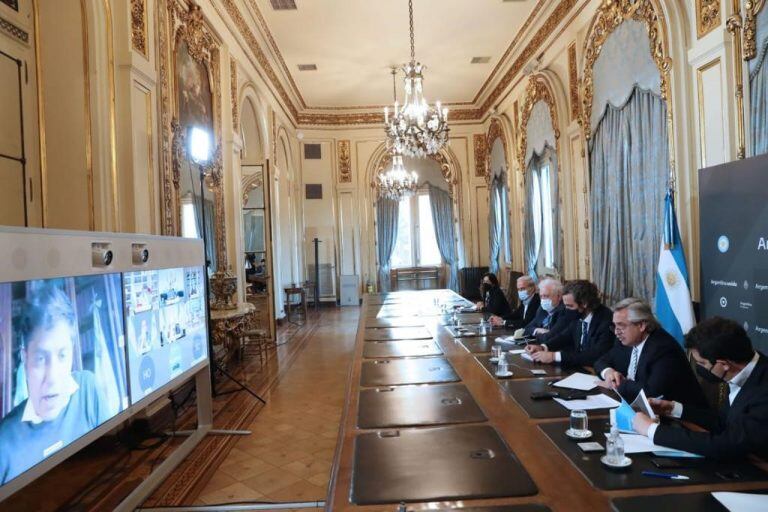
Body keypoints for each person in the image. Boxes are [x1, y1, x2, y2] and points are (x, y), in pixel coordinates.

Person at [0, 287, 107, 485]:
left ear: (72, 353)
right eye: (40, 359)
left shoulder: (88, 390)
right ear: (25, 359)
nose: (52, 377)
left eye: (62, 355)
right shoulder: (3, 444)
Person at [632, 317, 768, 460]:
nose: (699, 368)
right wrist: (672, 409)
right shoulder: (742, 369)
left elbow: (729, 443)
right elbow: (723, 421)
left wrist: (652, 430)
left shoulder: (763, 390)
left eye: (702, 363)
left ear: (724, 364)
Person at [594, 298, 706, 406]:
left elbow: (652, 393)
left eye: (621, 326)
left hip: (680, 420)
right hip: (639, 408)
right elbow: (601, 361)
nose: (616, 332)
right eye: (615, 326)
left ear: (641, 325)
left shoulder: (663, 349)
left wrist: (617, 383)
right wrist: (608, 373)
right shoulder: (626, 340)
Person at [526, 280, 613, 367]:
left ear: (584, 303)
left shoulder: (605, 319)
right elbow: (564, 337)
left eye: (570, 306)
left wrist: (553, 356)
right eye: (565, 305)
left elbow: (595, 355)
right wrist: (543, 347)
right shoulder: (578, 316)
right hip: (578, 367)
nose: (566, 309)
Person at [521, 278, 578, 343]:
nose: (543, 300)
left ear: (559, 296)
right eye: (541, 296)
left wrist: (537, 335)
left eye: (546, 296)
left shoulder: (565, 310)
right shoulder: (542, 309)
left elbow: (550, 337)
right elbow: (526, 329)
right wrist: (538, 330)